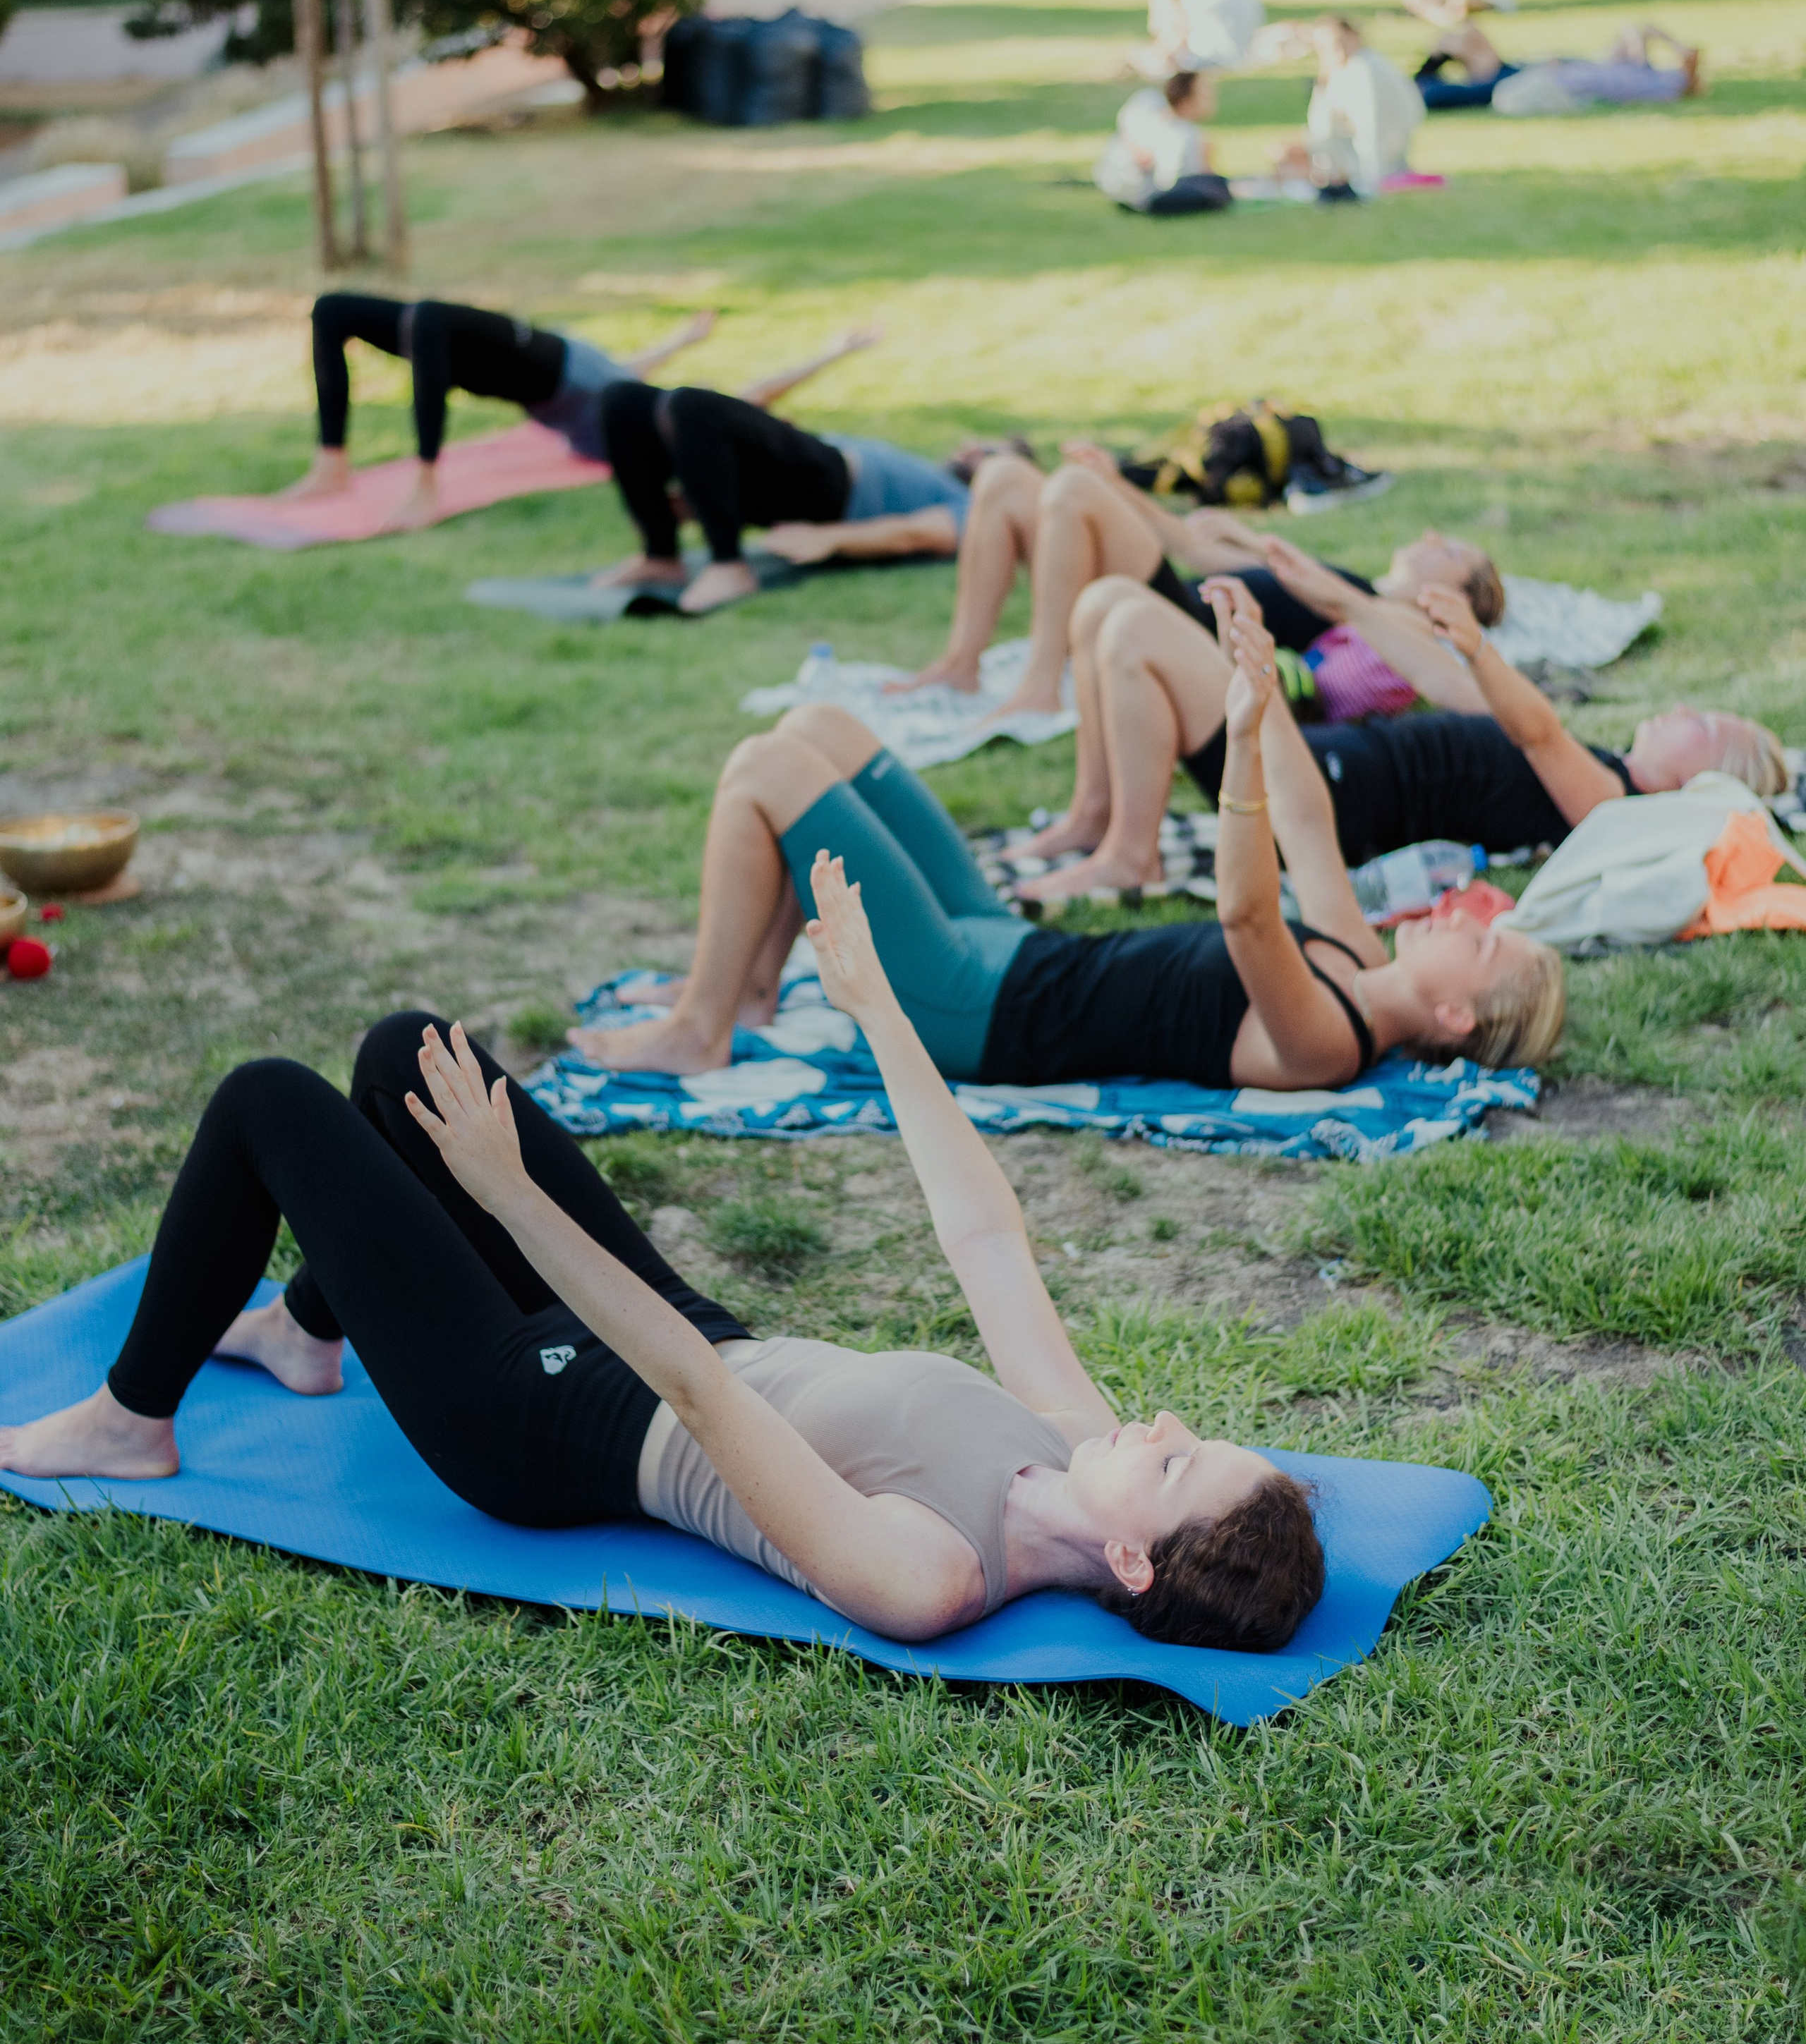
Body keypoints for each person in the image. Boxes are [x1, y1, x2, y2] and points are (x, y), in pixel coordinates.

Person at [0, 954, 1324, 1657]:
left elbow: (695, 1394)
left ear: (1137, 1561)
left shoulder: (933, 1577)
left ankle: (131, 1420)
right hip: (689, 1326)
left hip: (546, 1418)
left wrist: (516, 1202)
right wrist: (875, 1010)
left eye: (1180, 1459)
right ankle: (306, 1328)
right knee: (405, 1053)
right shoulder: (1070, 1434)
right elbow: (987, 1238)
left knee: (268, 1101)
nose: (1158, 1421)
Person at [574, 596, 1566, 1110]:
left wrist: (1238, 749)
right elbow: (1307, 819)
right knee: (817, 725)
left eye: (1484, 945)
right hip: (1004, 947)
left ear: (1452, 1014)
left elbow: (1248, 912)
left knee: (765, 767)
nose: (1469, 914)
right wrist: (1247, 681)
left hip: (974, 1010)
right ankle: (746, 992)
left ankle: (702, 1028)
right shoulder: (1352, 954)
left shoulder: (1326, 1041)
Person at [1013, 540, 1783, 904]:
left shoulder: (1612, 807)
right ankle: (1098, 814)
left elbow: (1534, 730)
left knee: (1131, 627)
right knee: (1106, 601)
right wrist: (1338, 599)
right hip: (1321, 760)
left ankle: (1128, 855)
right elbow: (1456, 695)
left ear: (1704, 780)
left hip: (1325, 795)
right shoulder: (1595, 763)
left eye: (1706, 723)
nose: (1683, 708)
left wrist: (1482, 649)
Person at [894, 433, 1496, 720]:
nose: (1431, 539)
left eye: (1450, 552)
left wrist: (1107, 491)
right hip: (1177, 593)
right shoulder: (1347, 581)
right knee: (1002, 477)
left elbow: (1433, 671)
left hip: (1179, 627)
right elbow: (1190, 548)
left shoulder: (1395, 619)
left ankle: (1041, 685)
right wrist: (1120, 484)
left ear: (1456, 596)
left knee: (1071, 489)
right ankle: (961, 662)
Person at [595, 363, 1017, 614]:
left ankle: (729, 567)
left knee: (692, 405)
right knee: (622, 400)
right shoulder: (932, 471)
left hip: (832, 490)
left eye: (986, 452)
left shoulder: (971, 504)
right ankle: (660, 554)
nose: (969, 449)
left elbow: (922, 533)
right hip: (803, 467)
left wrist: (830, 538)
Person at [289, 296, 723, 533]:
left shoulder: (635, 419)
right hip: (522, 371)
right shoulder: (632, 395)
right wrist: (686, 338)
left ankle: (425, 482)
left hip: (550, 369)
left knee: (430, 317)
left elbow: (636, 385)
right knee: (332, 310)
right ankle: (331, 464)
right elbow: (632, 367)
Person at [1275, 18, 1424, 198]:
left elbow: (1370, 128)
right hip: (1357, 155)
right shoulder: (1348, 68)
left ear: (1353, 36)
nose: (1332, 50)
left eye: (1337, 42)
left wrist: (1370, 180)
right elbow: (1320, 128)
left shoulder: (1365, 68)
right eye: (1323, 47)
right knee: (1283, 153)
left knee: (1288, 160)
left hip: (1374, 160)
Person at [1491, 23, 1702, 116]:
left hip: (1556, 86)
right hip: (1554, 76)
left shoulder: (1661, 85)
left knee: (1501, 94)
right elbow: (1639, 28)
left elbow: (1636, 30)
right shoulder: (1645, 73)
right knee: (1500, 90)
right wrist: (1676, 46)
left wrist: (1678, 48)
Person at [1094, 72, 1230, 215]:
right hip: (1141, 192)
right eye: (1205, 96)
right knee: (1216, 186)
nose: (1212, 100)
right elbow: (1176, 180)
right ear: (1188, 102)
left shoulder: (1148, 99)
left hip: (1111, 180)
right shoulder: (1186, 134)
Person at [1413, 21, 1519, 111]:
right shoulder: (1496, 85)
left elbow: (1425, 92)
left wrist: (1434, 61)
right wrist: (1435, 60)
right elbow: (1426, 93)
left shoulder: (1506, 81)